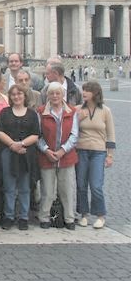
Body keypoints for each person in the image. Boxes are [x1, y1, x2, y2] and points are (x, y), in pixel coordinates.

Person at [0, 84, 40, 230]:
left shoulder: (32, 114)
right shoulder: (5, 112)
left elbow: (36, 134)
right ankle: (9, 216)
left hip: (26, 154)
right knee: (9, 186)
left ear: (24, 96)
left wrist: (20, 144)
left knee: (24, 186)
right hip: (8, 153)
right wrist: (12, 145)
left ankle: (23, 217)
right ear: (10, 97)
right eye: (13, 94)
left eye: (19, 94)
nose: (16, 97)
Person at [37, 81, 79, 230]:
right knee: (47, 190)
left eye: (58, 93)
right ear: (47, 95)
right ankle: (44, 217)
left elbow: (74, 135)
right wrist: (46, 150)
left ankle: (69, 218)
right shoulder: (41, 111)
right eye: (51, 93)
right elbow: (38, 135)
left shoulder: (71, 111)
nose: (54, 96)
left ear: (63, 95)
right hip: (46, 156)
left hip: (66, 157)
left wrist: (62, 150)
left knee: (67, 189)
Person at [76, 81, 116, 229]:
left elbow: (111, 134)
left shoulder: (105, 111)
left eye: (87, 90)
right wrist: (78, 119)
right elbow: (70, 129)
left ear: (95, 93)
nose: (83, 92)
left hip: (99, 152)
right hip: (81, 150)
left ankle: (100, 215)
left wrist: (110, 155)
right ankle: (84, 214)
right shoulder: (78, 109)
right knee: (81, 185)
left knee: (96, 185)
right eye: (83, 90)